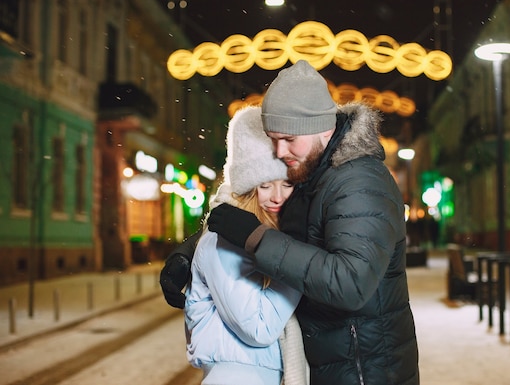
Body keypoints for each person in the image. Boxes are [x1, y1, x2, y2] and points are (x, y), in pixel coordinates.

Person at [162, 60, 419, 384]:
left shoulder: (358, 180)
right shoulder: (314, 171)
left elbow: (351, 282)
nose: (280, 151)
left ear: (323, 129)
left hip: (363, 370)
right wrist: (191, 250)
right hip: (333, 362)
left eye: (288, 139)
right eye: (273, 139)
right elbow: (258, 206)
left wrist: (254, 238)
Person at [184, 106, 308, 385]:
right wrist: (300, 264)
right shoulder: (223, 240)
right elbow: (258, 327)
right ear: (248, 187)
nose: (277, 197)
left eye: (287, 184)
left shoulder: (273, 235)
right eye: (265, 185)